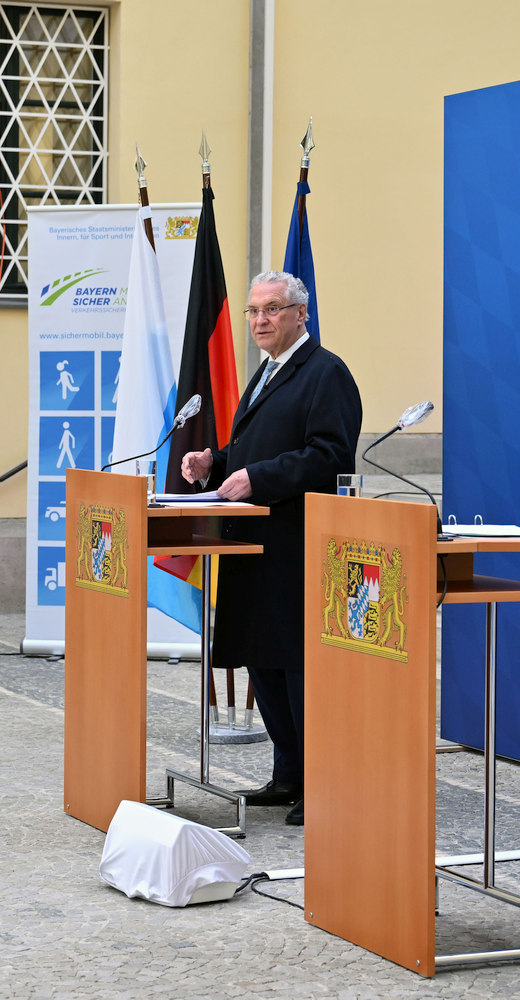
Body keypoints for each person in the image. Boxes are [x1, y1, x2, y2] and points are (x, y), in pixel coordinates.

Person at [180, 270, 362, 826]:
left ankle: (323, 781)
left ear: (300, 315)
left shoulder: (325, 373)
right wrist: (218, 459)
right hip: (256, 545)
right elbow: (262, 442)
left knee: (300, 668)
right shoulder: (269, 370)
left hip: (298, 545)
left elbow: (330, 455)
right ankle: (288, 774)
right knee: (265, 661)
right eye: (254, 311)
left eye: (273, 310)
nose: (260, 320)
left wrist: (256, 477)